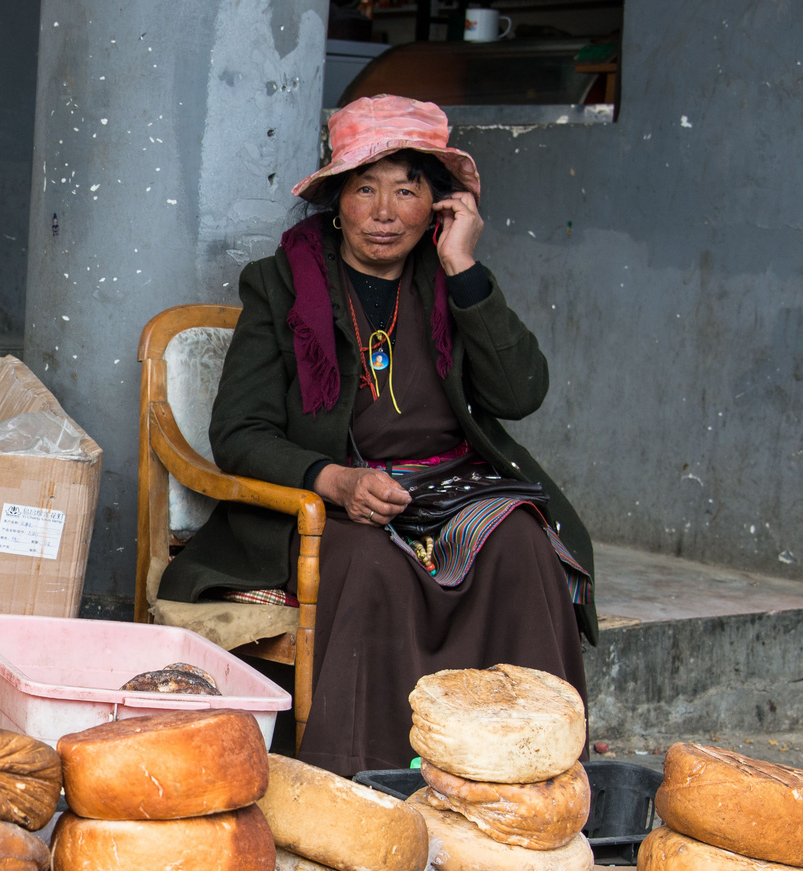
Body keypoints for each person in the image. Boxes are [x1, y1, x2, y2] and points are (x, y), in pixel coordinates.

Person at [159, 95, 595, 777]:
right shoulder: (282, 285)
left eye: (407, 188)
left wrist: (463, 267)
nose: (385, 211)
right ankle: (367, 784)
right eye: (366, 188)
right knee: (372, 568)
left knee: (522, 547)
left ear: (440, 207)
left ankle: (528, 773)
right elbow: (238, 432)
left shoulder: (453, 280)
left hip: (452, 487)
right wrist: (334, 481)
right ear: (337, 200)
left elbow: (521, 393)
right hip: (335, 499)